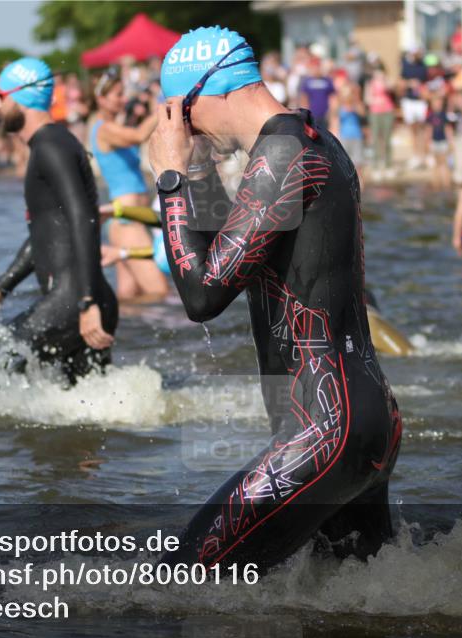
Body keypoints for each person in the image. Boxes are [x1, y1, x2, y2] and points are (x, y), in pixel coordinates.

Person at [150, 27, 402, 571]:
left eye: (182, 113)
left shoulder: (281, 156)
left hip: (322, 430)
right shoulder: (313, 139)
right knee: (348, 604)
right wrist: (198, 168)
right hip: (366, 414)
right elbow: (229, 253)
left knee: (179, 585)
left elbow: (202, 295)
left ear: (208, 90)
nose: (182, 129)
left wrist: (170, 179)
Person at [0, 58, 117, 384]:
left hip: (73, 303)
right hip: (81, 299)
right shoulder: (51, 144)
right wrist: (1, 289)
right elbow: (46, 233)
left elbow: (84, 217)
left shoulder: (51, 146)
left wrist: (86, 303)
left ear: (22, 96)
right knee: (85, 408)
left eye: (1, 96)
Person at [89, 68, 167, 302]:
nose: (124, 99)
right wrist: (165, 108)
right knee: (159, 292)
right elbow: (138, 136)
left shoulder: (114, 126)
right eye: (118, 94)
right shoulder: (104, 129)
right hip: (127, 222)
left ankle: (114, 322)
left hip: (127, 220)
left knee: (129, 296)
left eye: (124, 93)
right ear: (101, 99)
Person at [400, 48, 429, 169]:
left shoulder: (424, 66)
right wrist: (410, 83)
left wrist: (421, 87)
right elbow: (401, 83)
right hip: (409, 101)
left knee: (423, 129)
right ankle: (416, 155)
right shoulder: (406, 66)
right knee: (413, 129)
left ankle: (425, 155)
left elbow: (427, 82)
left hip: (420, 101)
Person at [365, 63, 395, 179]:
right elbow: (367, 99)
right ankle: (376, 165)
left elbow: (391, 88)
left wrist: (385, 80)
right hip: (375, 112)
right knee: (376, 139)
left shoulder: (386, 81)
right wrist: (375, 101)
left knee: (387, 139)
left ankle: (388, 165)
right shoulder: (370, 83)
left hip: (387, 111)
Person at [298, 57, 336, 130]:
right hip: (312, 116)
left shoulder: (327, 81)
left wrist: (331, 113)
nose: (316, 69)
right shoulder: (307, 82)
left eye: (318, 67)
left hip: (325, 115)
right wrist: (306, 115)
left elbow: (332, 98)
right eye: (314, 67)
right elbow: (304, 99)